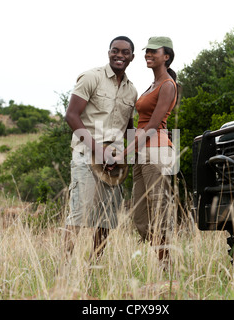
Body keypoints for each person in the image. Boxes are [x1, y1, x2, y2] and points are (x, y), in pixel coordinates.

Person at [64, 36, 137, 261]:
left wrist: (130, 155)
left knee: (107, 219)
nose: (119, 55)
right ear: (108, 53)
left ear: (131, 58)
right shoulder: (91, 77)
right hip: (86, 155)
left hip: (114, 163)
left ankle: (94, 266)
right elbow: (71, 115)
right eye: (115, 51)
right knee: (79, 214)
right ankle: (63, 268)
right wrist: (98, 150)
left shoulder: (132, 91)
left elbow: (129, 128)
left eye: (125, 53)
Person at [113, 36, 179, 270]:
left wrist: (125, 153)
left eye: (154, 51)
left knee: (159, 211)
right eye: (146, 51)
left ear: (166, 56)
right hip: (141, 154)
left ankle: (167, 269)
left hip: (158, 152)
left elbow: (152, 126)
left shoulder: (168, 85)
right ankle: (165, 261)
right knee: (140, 217)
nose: (148, 55)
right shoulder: (151, 85)